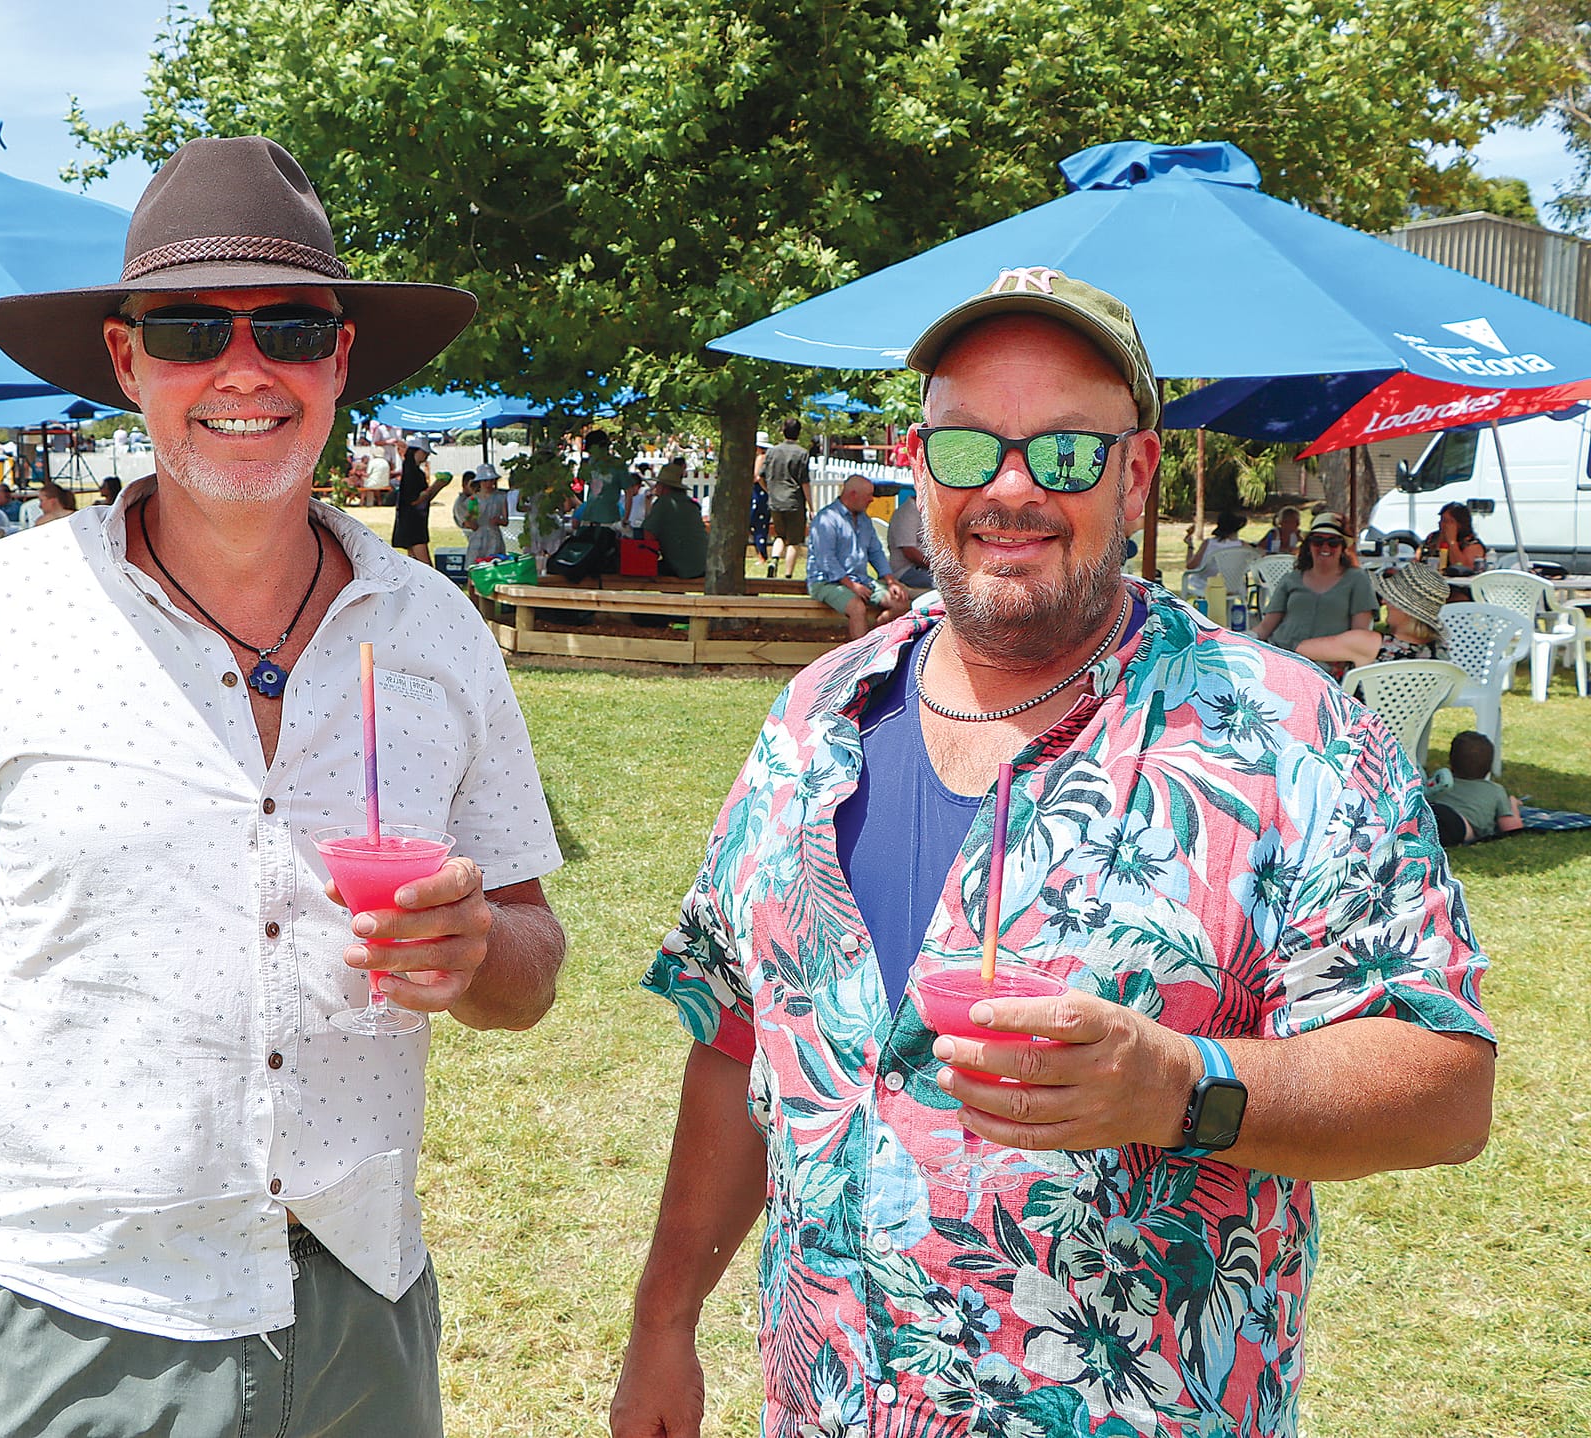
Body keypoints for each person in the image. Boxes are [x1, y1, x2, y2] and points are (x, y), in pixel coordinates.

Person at [613, 267, 1493, 1438]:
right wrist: (663, 1321)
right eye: (970, 447)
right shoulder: (818, 716)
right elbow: (736, 1040)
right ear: (916, 465)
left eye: (1066, 453)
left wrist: (1180, 1085)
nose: (1012, 489)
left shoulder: (1284, 733)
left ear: (1133, 473)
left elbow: (1443, 1087)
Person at [0, 134, 567, 1438]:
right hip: (71, 1328)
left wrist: (480, 944)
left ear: (340, 362)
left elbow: (532, 954)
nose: (243, 367)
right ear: (126, 357)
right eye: (195, 324)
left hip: (360, 1323)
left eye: (294, 326)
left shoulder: (433, 632)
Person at [1254, 510, 1376, 652]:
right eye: (1318, 541)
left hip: (1330, 661)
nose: (1325, 547)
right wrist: (1239, 640)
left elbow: (1359, 636)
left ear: (1342, 547)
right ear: (1309, 545)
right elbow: (1265, 628)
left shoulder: (1357, 580)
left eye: (1333, 542)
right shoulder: (1291, 579)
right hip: (1284, 655)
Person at [805, 473, 909, 639]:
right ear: (853, 494)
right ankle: (861, 660)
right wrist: (851, 585)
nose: (872, 500)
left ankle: (873, 641)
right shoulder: (826, 519)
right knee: (857, 608)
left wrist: (891, 581)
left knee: (900, 603)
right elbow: (826, 560)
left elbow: (876, 552)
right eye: (869, 495)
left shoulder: (864, 520)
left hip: (859, 580)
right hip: (827, 581)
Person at [1293, 561, 1449, 668]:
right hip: (1413, 716)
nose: (1384, 602)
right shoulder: (1440, 650)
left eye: (1391, 599)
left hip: (1358, 716)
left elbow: (1300, 648)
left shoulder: (1367, 644)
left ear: (1407, 611)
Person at [1428, 731, 1522, 845]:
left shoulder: (1442, 782)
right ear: (1489, 767)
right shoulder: (1496, 790)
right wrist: (1513, 805)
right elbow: (1512, 828)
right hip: (1457, 825)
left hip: (1434, 813)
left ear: (1451, 762)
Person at [760, 417, 812, 579]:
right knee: (794, 541)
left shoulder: (772, 452)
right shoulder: (802, 453)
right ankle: (788, 574)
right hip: (794, 502)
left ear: (783, 431)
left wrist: (770, 491)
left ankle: (773, 561)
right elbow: (804, 482)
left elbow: (760, 476)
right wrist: (812, 506)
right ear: (799, 432)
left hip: (775, 502)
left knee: (780, 536)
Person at [641, 459, 707, 580]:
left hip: (682, 567)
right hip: (704, 564)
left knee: (643, 572)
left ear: (664, 486)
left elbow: (648, 535)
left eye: (658, 484)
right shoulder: (690, 504)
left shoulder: (664, 503)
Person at [392, 441, 449, 561]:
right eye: (425, 452)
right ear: (416, 451)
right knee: (425, 565)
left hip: (416, 521)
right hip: (413, 524)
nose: (427, 456)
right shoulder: (412, 473)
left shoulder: (415, 472)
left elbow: (425, 499)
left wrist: (439, 486)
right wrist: (435, 486)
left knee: (414, 563)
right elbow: (414, 500)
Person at [575, 428, 632, 531]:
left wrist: (626, 518)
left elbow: (629, 491)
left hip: (609, 520)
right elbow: (580, 484)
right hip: (588, 517)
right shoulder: (590, 463)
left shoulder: (617, 465)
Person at [885, 490, 932, 588]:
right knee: (942, 586)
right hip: (906, 570)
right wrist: (937, 567)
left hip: (925, 568)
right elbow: (910, 552)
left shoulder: (926, 512)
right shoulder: (907, 514)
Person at [1426, 500, 1488, 575]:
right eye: (1441, 520)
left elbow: (1462, 568)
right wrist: (1439, 542)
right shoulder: (1433, 537)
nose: (1442, 524)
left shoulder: (1472, 544)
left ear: (1460, 524)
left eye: (1448, 522)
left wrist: (1452, 542)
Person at [464, 468, 509, 567]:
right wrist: (470, 519)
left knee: (494, 562)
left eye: (492, 480)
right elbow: (468, 522)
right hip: (478, 534)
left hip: (494, 534)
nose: (488, 484)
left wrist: (498, 520)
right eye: (485, 481)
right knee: (474, 564)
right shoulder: (473, 500)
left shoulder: (501, 497)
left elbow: (505, 521)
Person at [1183, 507, 1247, 571]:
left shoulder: (1208, 543)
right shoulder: (1242, 546)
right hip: (1232, 580)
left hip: (1204, 580)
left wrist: (1190, 546)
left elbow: (1191, 566)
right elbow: (1256, 557)